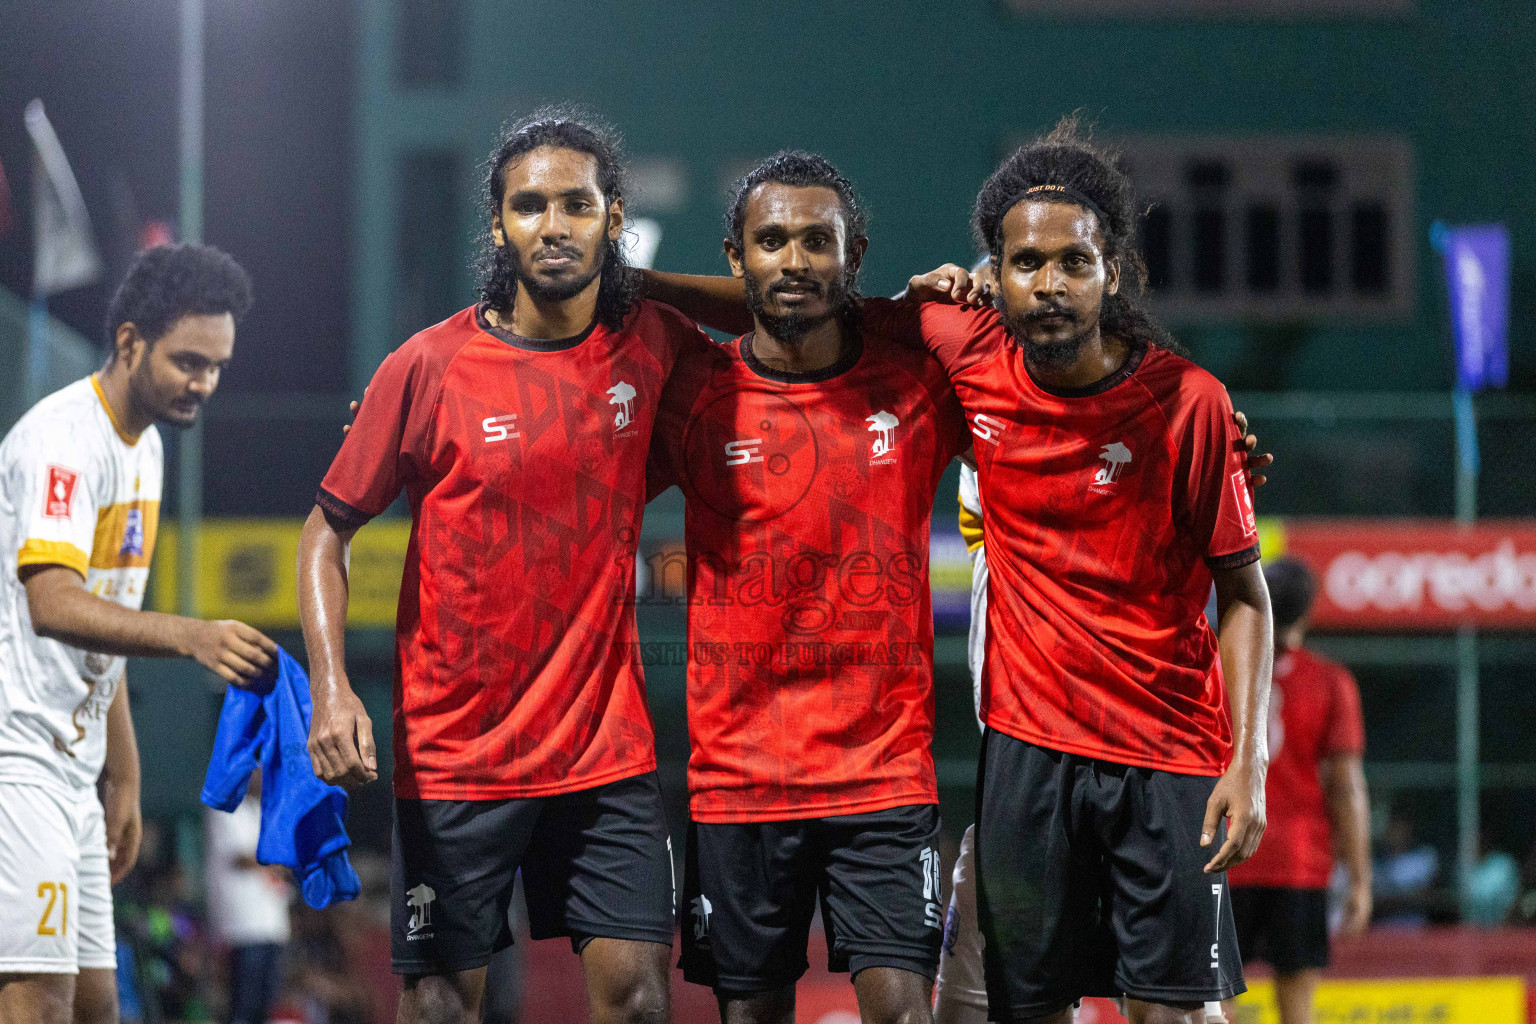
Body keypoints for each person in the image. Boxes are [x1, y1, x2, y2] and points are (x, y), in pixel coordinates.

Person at [298, 110, 709, 1024]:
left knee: (642, 1002)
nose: (553, 225)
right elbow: (326, 533)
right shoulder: (428, 366)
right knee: (442, 1005)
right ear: (498, 225)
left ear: (612, 217)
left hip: (606, 752)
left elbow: (774, 312)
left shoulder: (653, 343)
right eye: (529, 205)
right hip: (457, 755)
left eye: (577, 204)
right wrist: (332, 688)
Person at [902, 118, 1274, 1024]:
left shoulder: (1188, 404)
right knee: (1023, 1009)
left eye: (1076, 263)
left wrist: (1248, 759)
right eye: (1026, 265)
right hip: (1027, 755)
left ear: (1113, 271)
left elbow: (1245, 595)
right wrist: (937, 282)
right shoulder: (960, 346)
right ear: (995, 274)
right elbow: (806, 316)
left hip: (1168, 757)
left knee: (1172, 1013)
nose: (1052, 284)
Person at [646, 152, 970, 1024]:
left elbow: (1055, 388)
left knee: (903, 1013)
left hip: (885, 777)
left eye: (816, 240)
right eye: (772, 240)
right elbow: (570, 461)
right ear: (736, 255)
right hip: (740, 777)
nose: (794, 259)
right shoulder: (692, 394)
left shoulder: (918, 382)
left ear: (854, 252)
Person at [0, 244, 277, 1024]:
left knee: (97, 1008)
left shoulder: (146, 446)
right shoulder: (62, 441)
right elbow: (52, 603)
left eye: (217, 365)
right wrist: (190, 634)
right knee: (39, 1005)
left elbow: (108, 619)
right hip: (17, 759)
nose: (205, 383)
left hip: (72, 770)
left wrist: (124, 773)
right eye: (189, 360)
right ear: (129, 343)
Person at [1219, 558, 1370, 1024]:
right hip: (1299, 863)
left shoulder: (1220, 670)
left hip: (1228, 855)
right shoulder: (1329, 681)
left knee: (1216, 1002)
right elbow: (1345, 787)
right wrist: (1361, 879)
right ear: (1306, 613)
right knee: (1298, 1010)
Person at [204, 771, 293, 1024]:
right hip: (241, 927)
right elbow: (241, 856)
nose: (264, 776)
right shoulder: (223, 805)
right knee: (243, 1005)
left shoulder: (261, 810)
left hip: (272, 925)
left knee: (265, 1006)